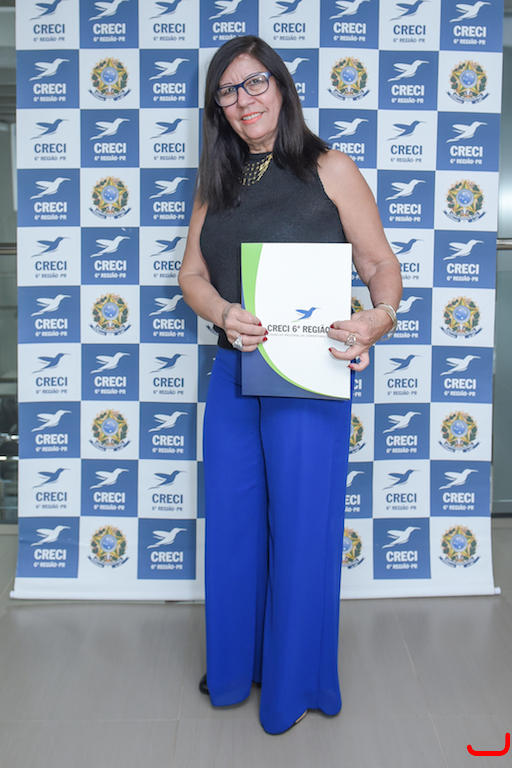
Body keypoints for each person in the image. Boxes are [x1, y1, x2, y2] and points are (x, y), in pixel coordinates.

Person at [179, 35, 402, 735]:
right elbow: (191, 274)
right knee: (234, 531)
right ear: (217, 106)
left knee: (303, 532)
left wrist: (378, 319)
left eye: (255, 83)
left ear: (281, 86)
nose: (243, 99)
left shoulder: (330, 166)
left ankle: (294, 684)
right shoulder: (216, 179)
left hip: (309, 378)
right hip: (233, 377)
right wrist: (221, 312)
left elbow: (379, 264)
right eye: (227, 90)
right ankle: (236, 667)